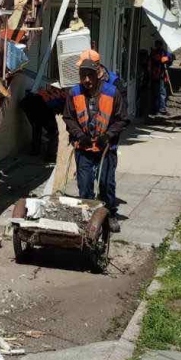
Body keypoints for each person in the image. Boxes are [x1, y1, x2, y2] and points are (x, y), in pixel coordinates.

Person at [64, 54, 129, 232]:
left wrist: (108, 135)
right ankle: (88, 217)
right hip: (84, 147)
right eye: (83, 76)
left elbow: (122, 119)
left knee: (106, 184)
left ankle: (110, 215)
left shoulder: (112, 92)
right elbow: (68, 118)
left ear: (97, 74)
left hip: (105, 148)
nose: (86, 80)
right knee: (85, 186)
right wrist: (78, 135)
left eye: (90, 75)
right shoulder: (74, 93)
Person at [147, 44, 174, 116]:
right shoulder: (153, 53)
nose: (158, 47)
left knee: (162, 92)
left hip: (161, 75)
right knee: (156, 93)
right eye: (157, 45)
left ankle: (162, 109)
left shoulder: (164, 52)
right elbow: (150, 64)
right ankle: (155, 109)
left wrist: (167, 58)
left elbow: (171, 58)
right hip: (155, 75)